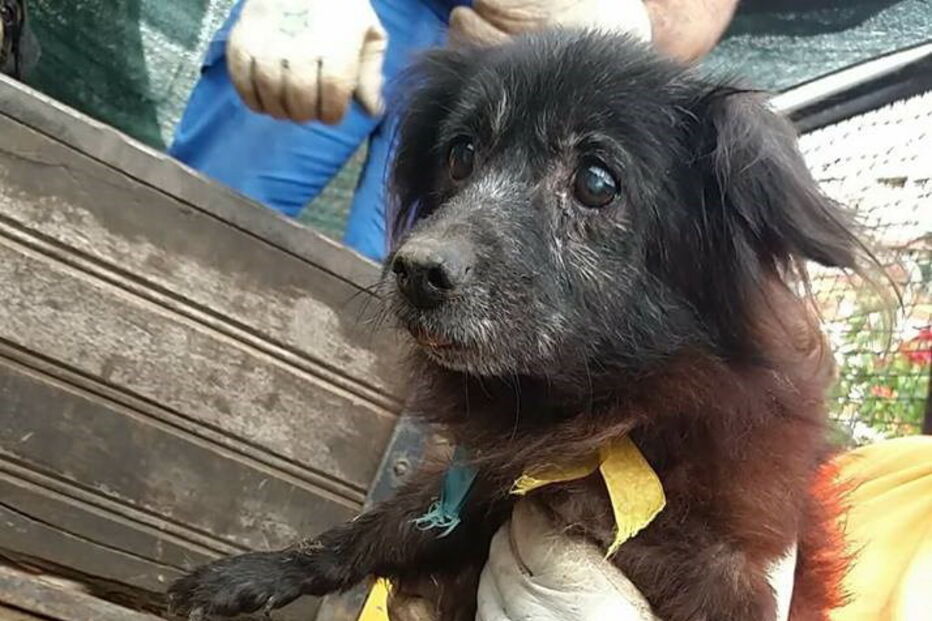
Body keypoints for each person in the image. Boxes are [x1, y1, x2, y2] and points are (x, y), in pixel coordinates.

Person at [169, 0, 739, 261]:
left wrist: (622, 18)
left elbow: (697, 13)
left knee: (408, 307)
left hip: (526, 51)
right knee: (194, 213)